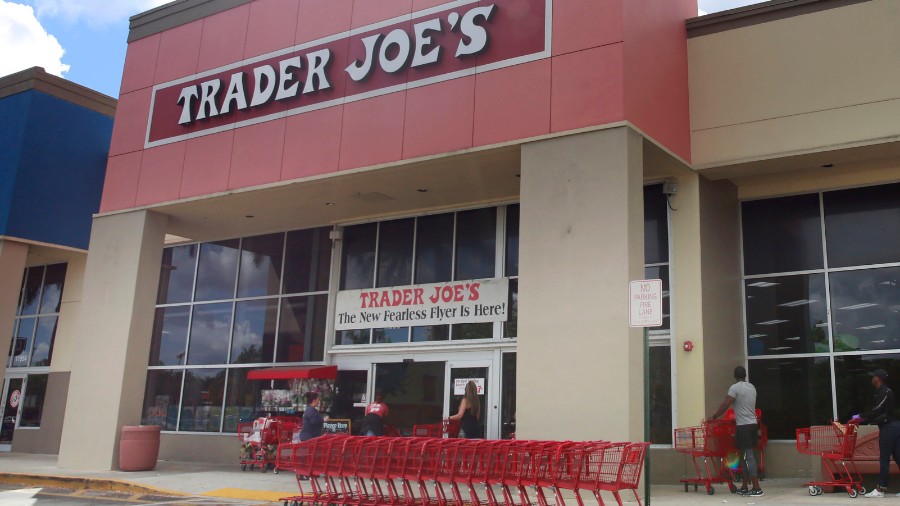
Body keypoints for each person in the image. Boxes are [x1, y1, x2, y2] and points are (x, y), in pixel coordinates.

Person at [710, 366, 763, 497]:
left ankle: (757, 488)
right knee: (745, 456)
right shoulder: (752, 387)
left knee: (748, 456)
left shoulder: (735, 388)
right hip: (753, 425)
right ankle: (744, 487)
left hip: (743, 427)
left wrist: (715, 416)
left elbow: (726, 404)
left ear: (735, 376)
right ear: (745, 375)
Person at [853, 369, 900, 498]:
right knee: (898, 457)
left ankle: (880, 489)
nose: (872, 378)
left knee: (884, 459)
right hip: (893, 427)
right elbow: (877, 411)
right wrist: (864, 417)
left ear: (878, 378)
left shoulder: (885, 392)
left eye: (873, 376)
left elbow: (877, 410)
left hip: (889, 427)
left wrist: (861, 416)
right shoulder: (879, 392)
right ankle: (881, 488)